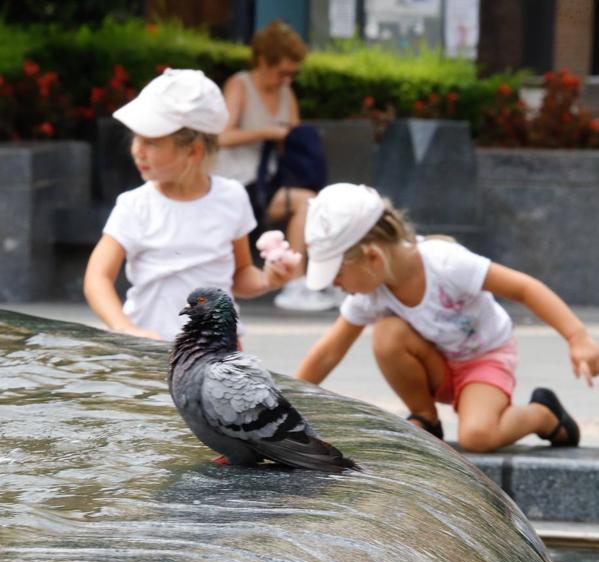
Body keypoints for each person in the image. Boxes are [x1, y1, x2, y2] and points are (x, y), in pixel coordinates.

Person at [296, 183, 599, 452]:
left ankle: (543, 414)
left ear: (373, 258)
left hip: (484, 358)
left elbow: (524, 288)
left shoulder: (446, 263)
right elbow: (328, 352)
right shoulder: (370, 293)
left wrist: (577, 337)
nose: (335, 285)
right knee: (387, 333)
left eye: (337, 274)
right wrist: (282, 402)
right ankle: (426, 418)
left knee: (478, 437)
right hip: (437, 363)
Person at [84, 68, 296, 342]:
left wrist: (269, 279)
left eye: (151, 141)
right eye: (136, 137)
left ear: (193, 151)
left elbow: (239, 274)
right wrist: (126, 328)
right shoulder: (135, 206)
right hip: (151, 351)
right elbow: (96, 277)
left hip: (218, 353)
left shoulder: (231, 198)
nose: (137, 149)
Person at [214, 19, 339, 312]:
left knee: (314, 202)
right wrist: (267, 132)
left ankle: (310, 281)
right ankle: (295, 285)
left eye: (292, 74)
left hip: (267, 183)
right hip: (235, 183)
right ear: (262, 61)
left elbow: (292, 141)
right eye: (282, 72)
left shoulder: (287, 93)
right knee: (306, 202)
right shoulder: (240, 85)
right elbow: (220, 136)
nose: (286, 80)